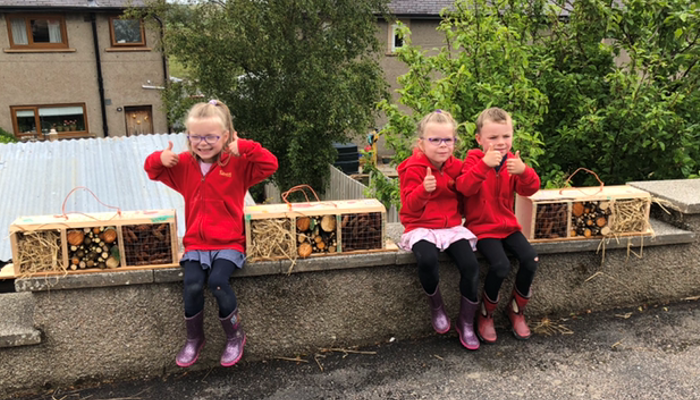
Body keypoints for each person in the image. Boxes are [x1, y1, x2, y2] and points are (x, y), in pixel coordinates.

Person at [145, 99, 278, 367]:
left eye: (211, 137)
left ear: (225, 136)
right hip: (196, 244)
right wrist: (158, 158)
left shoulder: (238, 164)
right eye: (196, 137)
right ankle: (194, 339)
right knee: (192, 284)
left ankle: (234, 336)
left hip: (230, 243)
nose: (203, 143)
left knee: (218, 282)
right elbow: (152, 171)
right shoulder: (182, 165)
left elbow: (269, 164)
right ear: (188, 137)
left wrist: (246, 147)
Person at [397, 110, 481, 350]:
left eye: (448, 140)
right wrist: (424, 190)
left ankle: (466, 321)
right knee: (427, 259)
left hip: (451, 226)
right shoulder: (412, 168)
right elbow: (409, 207)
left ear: (455, 142)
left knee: (470, 265)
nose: (442, 145)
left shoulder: (457, 166)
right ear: (421, 142)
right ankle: (437, 306)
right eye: (435, 140)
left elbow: (466, 195)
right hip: (421, 226)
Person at [456, 107, 541, 343]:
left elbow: (530, 189)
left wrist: (524, 172)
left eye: (506, 136)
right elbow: (464, 187)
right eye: (493, 137)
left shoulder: (512, 161)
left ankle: (516, 310)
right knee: (501, 265)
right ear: (479, 139)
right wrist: (484, 165)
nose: (501, 142)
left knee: (530, 259)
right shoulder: (473, 160)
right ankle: (486, 314)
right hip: (482, 228)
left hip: (508, 226)